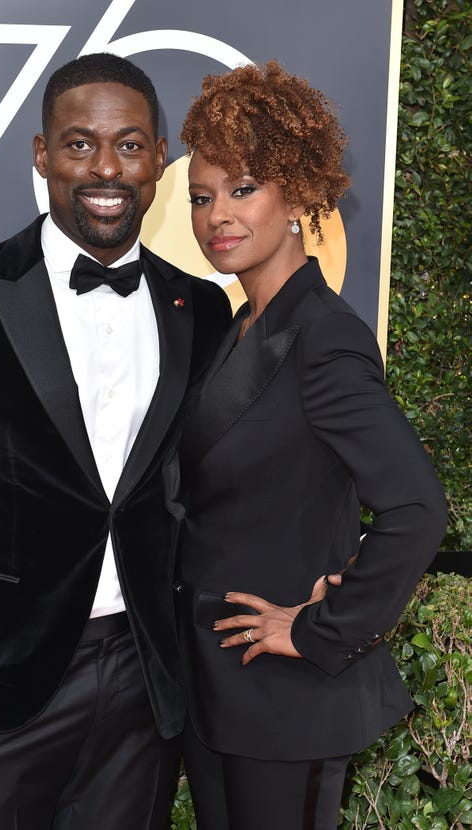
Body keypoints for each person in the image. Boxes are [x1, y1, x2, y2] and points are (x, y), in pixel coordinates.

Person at [0, 53, 231, 829]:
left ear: (160, 157)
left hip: (139, 682)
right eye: (80, 143)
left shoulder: (201, 309)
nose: (106, 167)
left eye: (129, 144)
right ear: (42, 154)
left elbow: (208, 489)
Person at [173, 61, 448, 830]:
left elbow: (418, 509)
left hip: (285, 703)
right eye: (201, 197)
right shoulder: (239, 329)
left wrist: (322, 627)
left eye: (242, 189)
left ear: (296, 195)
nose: (217, 216)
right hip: (217, 693)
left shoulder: (324, 339)